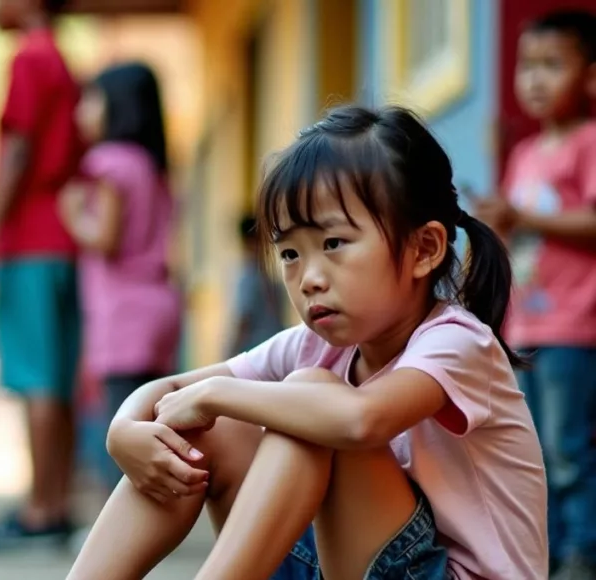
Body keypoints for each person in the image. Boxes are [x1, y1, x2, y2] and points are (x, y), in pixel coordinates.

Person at [66, 105, 548, 580]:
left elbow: (362, 421)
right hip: (350, 563)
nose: (309, 278)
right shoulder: (315, 344)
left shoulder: (459, 343)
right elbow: (170, 391)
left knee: (311, 400)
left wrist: (214, 395)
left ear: (423, 249)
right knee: (208, 432)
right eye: (291, 253)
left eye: (334, 244)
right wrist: (124, 429)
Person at [473, 11, 596, 578]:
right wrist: (497, 217)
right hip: (527, 328)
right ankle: (541, 555)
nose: (536, 79)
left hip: (575, 325)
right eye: (528, 66)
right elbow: (516, 231)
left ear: (591, 78)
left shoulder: (588, 142)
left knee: (570, 452)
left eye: (553, 65)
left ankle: (579, 555)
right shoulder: (525, 154)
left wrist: (522, 215)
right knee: (533, 451)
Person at [0, 0, 83, 551]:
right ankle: (53, 503)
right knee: (54, 379)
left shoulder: (28, 57)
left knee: (35, 378)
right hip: (60, 240)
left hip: (29, 240)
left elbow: (19, 148)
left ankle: (39, 509)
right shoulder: (59, 58)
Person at [57, 62, 181, 493]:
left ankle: (122, 525)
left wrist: (73, 215)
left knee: (121, 427)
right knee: (153, 420)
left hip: (124, 311)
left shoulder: (106, 162)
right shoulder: (152, 163)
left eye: (91, 100)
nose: (81, 112)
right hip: (159, 303)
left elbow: (105, 238)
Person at [229, 214, 285, 355]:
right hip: (275, 349)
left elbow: (244, 321)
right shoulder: (272, 276)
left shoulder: (249, 277)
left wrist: (230, 355)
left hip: (255, 350)